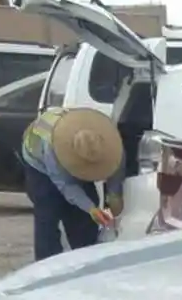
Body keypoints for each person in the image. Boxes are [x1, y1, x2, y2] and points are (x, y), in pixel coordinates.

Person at [20, 106, 126, 260]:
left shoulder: (106, 137)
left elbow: (117, 162)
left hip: (67, 151)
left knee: (84, 220)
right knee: (48, 215)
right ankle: (48, 265)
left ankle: (87, 258)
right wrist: (91, 208)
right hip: (39, 167)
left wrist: (114, 193)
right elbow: (66, 185)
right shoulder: (52, 148)